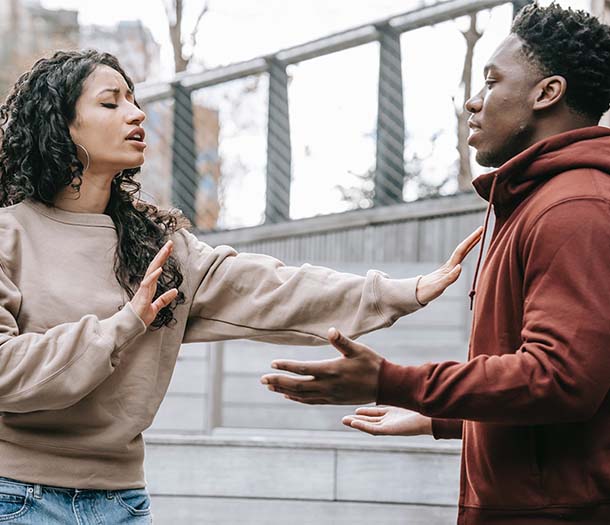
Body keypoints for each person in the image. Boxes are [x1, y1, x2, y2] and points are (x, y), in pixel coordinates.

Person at [0, 48, 481, 524]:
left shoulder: (160, 246)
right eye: (111, 103)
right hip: (16, 497)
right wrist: (124, 325)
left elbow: (271, 289)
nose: (136, 113)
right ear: (59, 123)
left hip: (121, 502)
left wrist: (399, 292)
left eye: (134, 99)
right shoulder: (9, 235)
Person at [261, 3, 610, 524]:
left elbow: (560, 381)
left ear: (547, 93)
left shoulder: (573, 208)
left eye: (491, 82)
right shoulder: (544, 202)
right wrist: (438, 418)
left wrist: (392, 380)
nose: (473, 102)